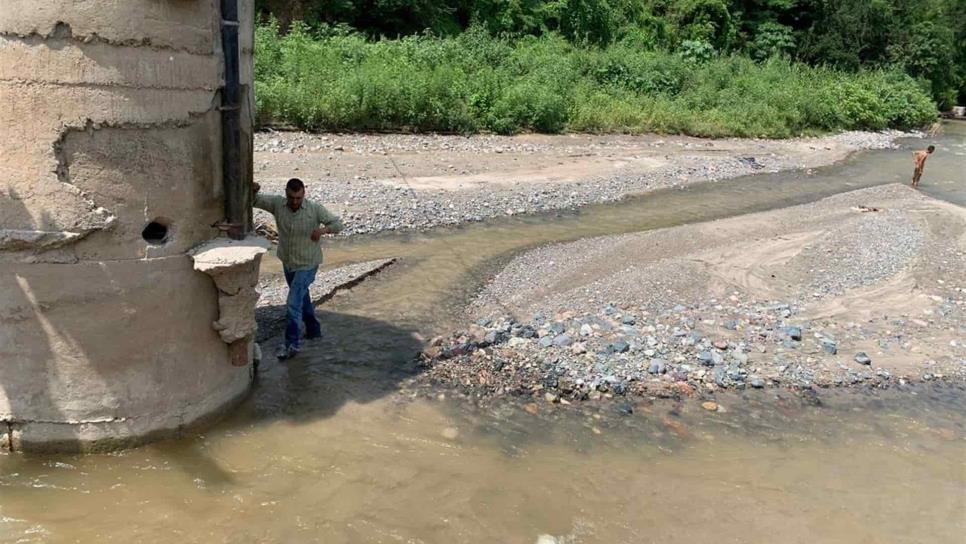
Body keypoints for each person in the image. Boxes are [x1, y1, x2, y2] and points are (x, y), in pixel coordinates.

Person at [253, 178, 344, 359]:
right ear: (286, 194)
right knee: (302, 298)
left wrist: (322, 231)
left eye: (298, 198)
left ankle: (291, 345)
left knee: (293, 304)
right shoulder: (278, 204)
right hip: (288, 262)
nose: (295, 202)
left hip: (308, 264)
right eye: (291, 198)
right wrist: (252, 190)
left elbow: (338, 224)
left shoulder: (314, 209)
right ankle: (313, 330)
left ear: (304, 195)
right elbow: (254, 201)